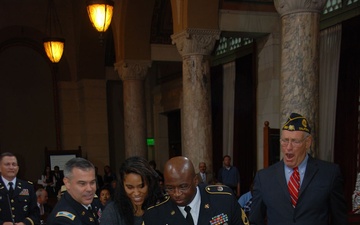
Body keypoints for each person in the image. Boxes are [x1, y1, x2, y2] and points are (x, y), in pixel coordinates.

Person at [249, 112, 347, 225]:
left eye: (295, 141)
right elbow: (255, 221)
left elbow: (340, 219)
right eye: (285, 140)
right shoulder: (264, 178)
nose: (289, 147)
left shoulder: (329, 174)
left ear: (307, 143)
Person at [143, 156, 249, 225]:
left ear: (195, 181)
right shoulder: (155, 214)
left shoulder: (224, 200)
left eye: (183, 186)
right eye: (170, 188)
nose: (177, 193)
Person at [100, 156, 164, 225]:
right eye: (130, 187)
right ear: (122, 186)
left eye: (141, 186)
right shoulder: (112, 212)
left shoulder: (161, 208)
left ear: (150, 184)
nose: (136, 193)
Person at [46, 157, 99, 225]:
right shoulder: (62, 220)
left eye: (92, 182)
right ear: (67, 183)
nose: (89, 189)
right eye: (82, 184)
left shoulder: (92, 202)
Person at [0, 152, 40, 225]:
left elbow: (35, 213)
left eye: (14, 164)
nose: (11, 167)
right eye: (7, 164)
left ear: (18, 168)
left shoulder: (28, 187)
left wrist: (25, 223)